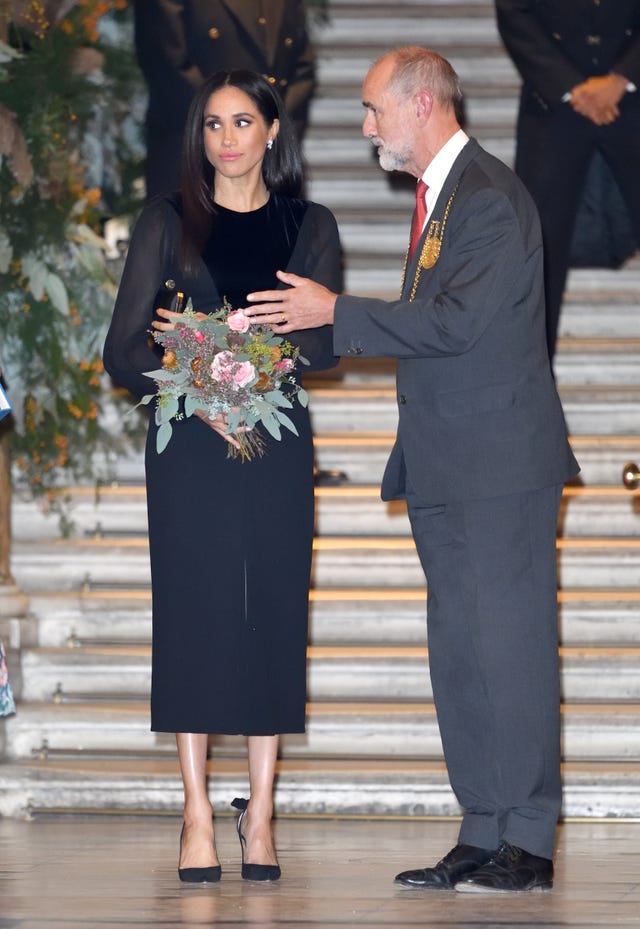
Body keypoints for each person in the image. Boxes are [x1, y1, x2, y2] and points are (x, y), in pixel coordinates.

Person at [242, 46, 580, 894]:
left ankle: (529, 837)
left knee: (512, 650)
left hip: (499, 463)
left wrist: (336, 311)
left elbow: (455, 322)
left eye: (373, 110)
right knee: (461, 655)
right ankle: (484, 825)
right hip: (448, 461)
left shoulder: (491, 199)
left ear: (421, 103)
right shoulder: (447, 199)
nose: (365, 127)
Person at [103, 69, 341, 882]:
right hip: (191, 444)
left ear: (273, 131)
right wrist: (196, 383)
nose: (227, 138)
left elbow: (323, 345)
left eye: (243, 122)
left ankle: (262, 814)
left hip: (274, 443)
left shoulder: (310, 225)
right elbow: (125, 350)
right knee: (197, 614)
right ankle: (197, 812)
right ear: (198, 136)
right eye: (212, 124)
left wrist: (226, 350)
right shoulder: (167, 222)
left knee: (272, 608)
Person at [495, 0, 640, 361]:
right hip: (552, 104)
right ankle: (533, 387)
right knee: (536, 247)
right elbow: (514, 12)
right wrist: (570, 86)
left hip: (633, 98)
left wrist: (624, 76)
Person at [134, 0, 315, 199]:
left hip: (272, 170)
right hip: (194, 163)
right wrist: (230, 126)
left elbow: (302, 68)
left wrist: (269, 129)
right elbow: (167, 63)